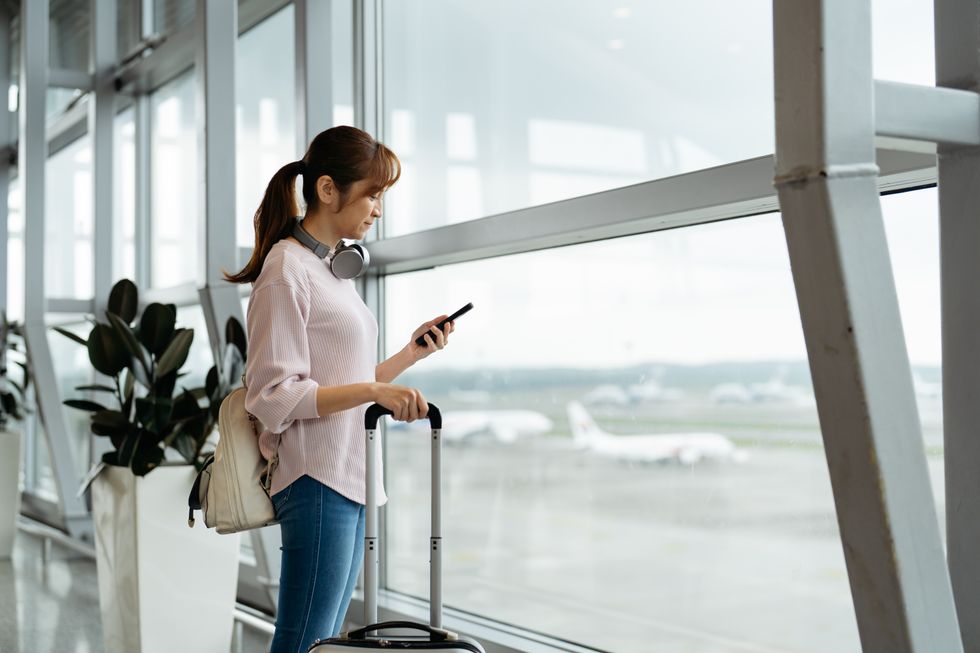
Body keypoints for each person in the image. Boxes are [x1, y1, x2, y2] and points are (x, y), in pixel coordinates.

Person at [225, 125, 455, 653]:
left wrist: (409, 355)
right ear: (328, 190)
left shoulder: (330, 271)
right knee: (305, 640)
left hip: (348, 474)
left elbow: (341, 378)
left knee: (323, 639)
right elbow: (275, 396)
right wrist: (374, 391)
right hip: (314, 477)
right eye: (373, 194)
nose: (378, 209)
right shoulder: (286, 270)